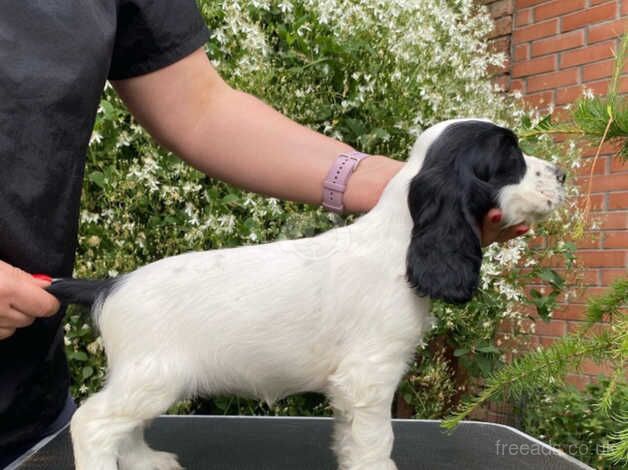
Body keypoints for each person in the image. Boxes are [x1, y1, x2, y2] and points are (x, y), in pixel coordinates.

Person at [0, 1, 528, 466]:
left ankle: (130, 451)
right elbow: (363, 382)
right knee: (143, 388)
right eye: (513, 167)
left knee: (143, 390)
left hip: (26, 412)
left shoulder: (381, 253)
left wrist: (388, 186)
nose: (536, 174)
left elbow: (201, 109)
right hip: (153, 302)